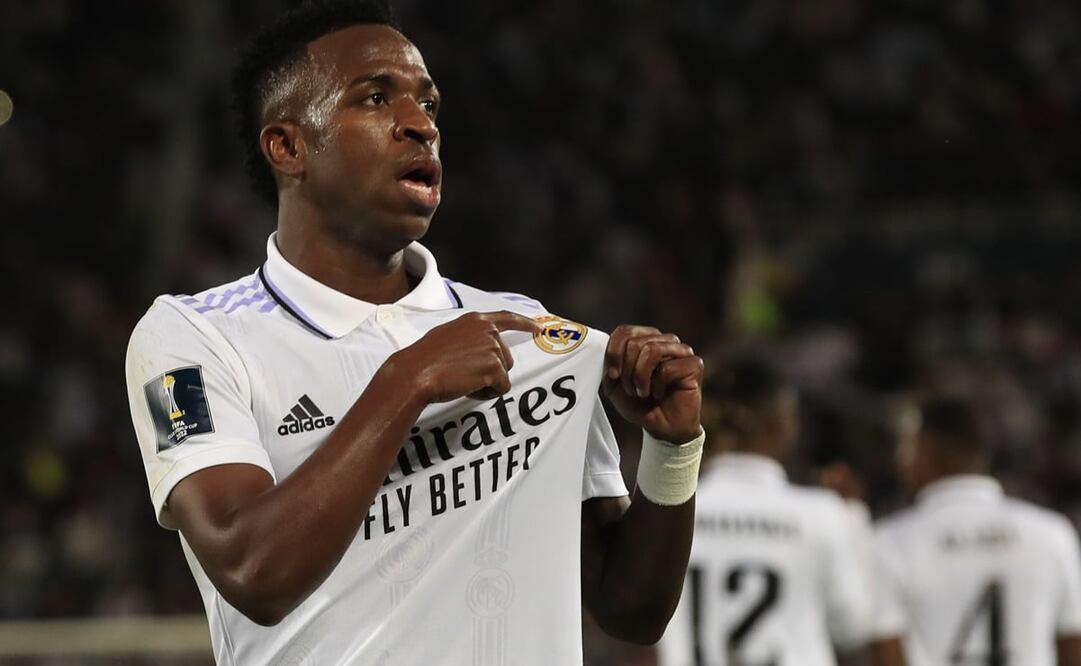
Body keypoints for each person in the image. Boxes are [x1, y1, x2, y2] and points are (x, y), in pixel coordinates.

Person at [123, 1, 705, 664]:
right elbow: (252, 571)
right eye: (375, 98)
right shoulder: (187, 341)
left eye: (428, 104)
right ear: (287, 147)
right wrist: (408, 379)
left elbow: (631, 611)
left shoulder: (531, 338)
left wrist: (669, 446)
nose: (419, 125)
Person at [656, 355, 872, 666]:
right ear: (783, 423)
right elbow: (853, 628)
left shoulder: (671, 515)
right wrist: (855, 518)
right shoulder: (822, 514)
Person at [871, 396, 1081, 666]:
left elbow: (887, 653)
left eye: (907, 446)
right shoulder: (1053, 533)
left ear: (928, 448)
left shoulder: (890, 541)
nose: (900, 459)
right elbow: (1073, 645)